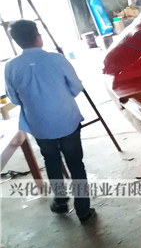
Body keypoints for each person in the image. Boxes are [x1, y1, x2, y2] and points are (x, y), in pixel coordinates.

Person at [4, 20, 96, 223]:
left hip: (39, 125)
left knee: (51, 160)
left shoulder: (11, 66)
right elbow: (76, 87)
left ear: (17, 41)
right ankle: (83, 210)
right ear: (38, 37)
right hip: (66, 120)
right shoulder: (57, 59)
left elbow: (14, 99)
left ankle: (60, 202)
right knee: (75, 163)